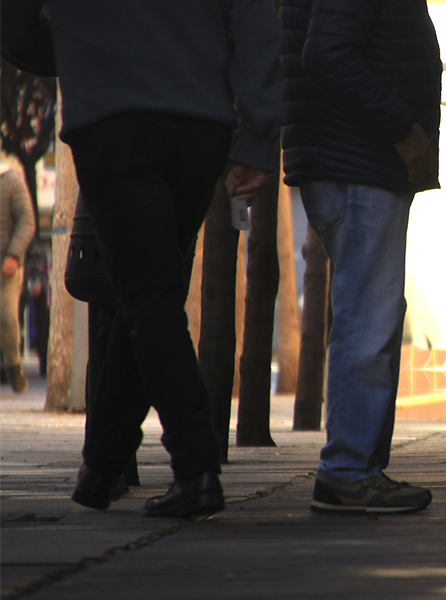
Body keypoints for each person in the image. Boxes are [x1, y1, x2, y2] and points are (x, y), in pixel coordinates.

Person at [1, 0, 282, 517]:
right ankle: (102, 466)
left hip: (111, 118)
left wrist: (83, 49)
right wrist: (260, 138)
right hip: (199, 122)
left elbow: (15, 25)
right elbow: (255, 21)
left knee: (149, 296)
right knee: (149, 291)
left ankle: (196, 469)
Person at [280, 0, 440, 514]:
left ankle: (359, 469)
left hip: (355, 161)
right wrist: (402, 129)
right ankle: (348, 470)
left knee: (373, 315)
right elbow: (327, 55)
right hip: (358, 163)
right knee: (367, 320)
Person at [0, 161, 35, 393]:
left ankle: (13, 366)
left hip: (6, 266)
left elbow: (27, 220)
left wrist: (13, 254)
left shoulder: (11, 181)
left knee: (6, 317)